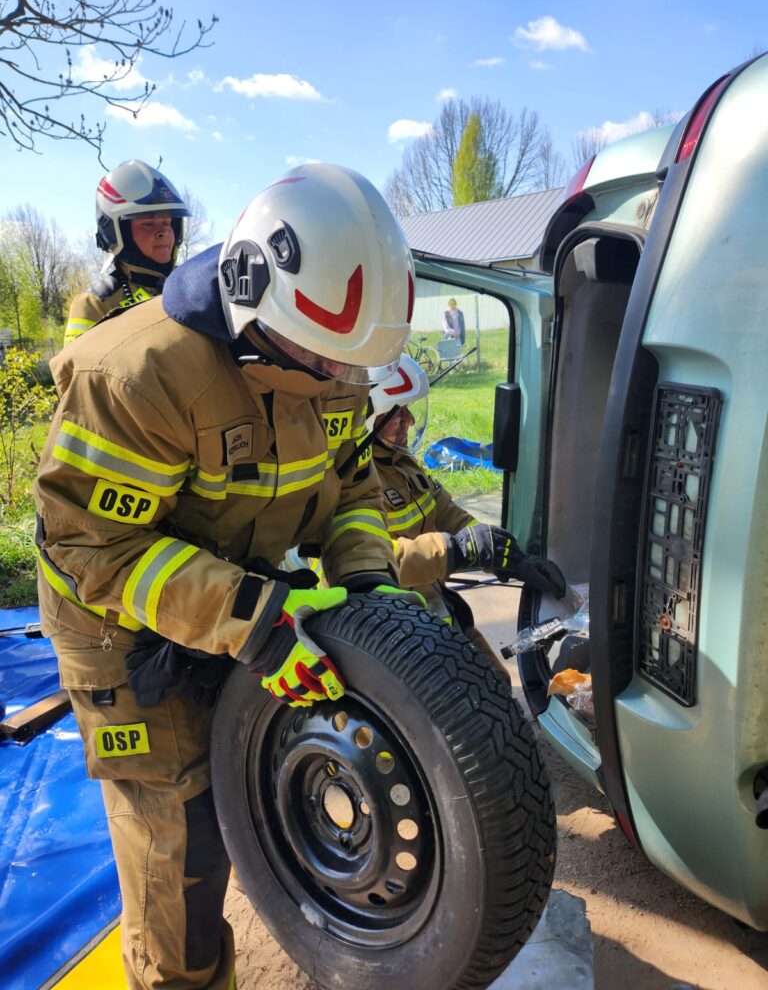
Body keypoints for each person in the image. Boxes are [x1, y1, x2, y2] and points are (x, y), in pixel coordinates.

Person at [34, 163, 416, 990]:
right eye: (324, 360)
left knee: (248, 789)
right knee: (184, 848)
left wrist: (369, 589)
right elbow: (88, 547)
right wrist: (257, 620)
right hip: (119, 631)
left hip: (240, 593)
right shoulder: (136, 377)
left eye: (353, 364)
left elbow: (351, 487)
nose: (340, 382)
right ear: (256, 307)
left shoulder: (332, 361)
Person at [365, 353, 565, 669]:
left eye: (408, 411)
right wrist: (456, 551)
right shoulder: (351, 481)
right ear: (367, 416)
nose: (410, 421)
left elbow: (451, 517)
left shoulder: (400, 464)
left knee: (496, 683)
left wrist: (508, 555)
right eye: (396, 414)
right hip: (390, 636)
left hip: (434, 613)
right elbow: (370, 562)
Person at [63, 159, 190, 343]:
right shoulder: (95, 305)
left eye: (167, 223)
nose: (163, 232)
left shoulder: (192, 287)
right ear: (117, 232)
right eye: (148, 223)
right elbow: (74, 371)